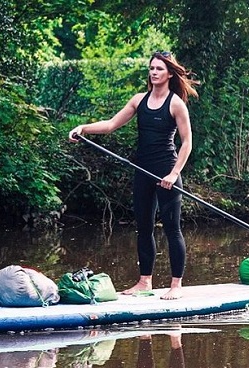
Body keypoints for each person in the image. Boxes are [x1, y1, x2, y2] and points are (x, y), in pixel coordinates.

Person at [68, 51, 199, 300]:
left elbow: (187, 143)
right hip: (142, 171)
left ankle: (176, 285)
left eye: (159, 68)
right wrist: (83, 128)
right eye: (151, 68)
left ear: (170, 73)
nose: (154, 72)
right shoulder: (139, 100)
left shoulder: (175, 104)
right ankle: (144, 282)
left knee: (172, 228)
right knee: (144, 227)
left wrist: (173, 174)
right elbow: (110, 125)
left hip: (166, 171)